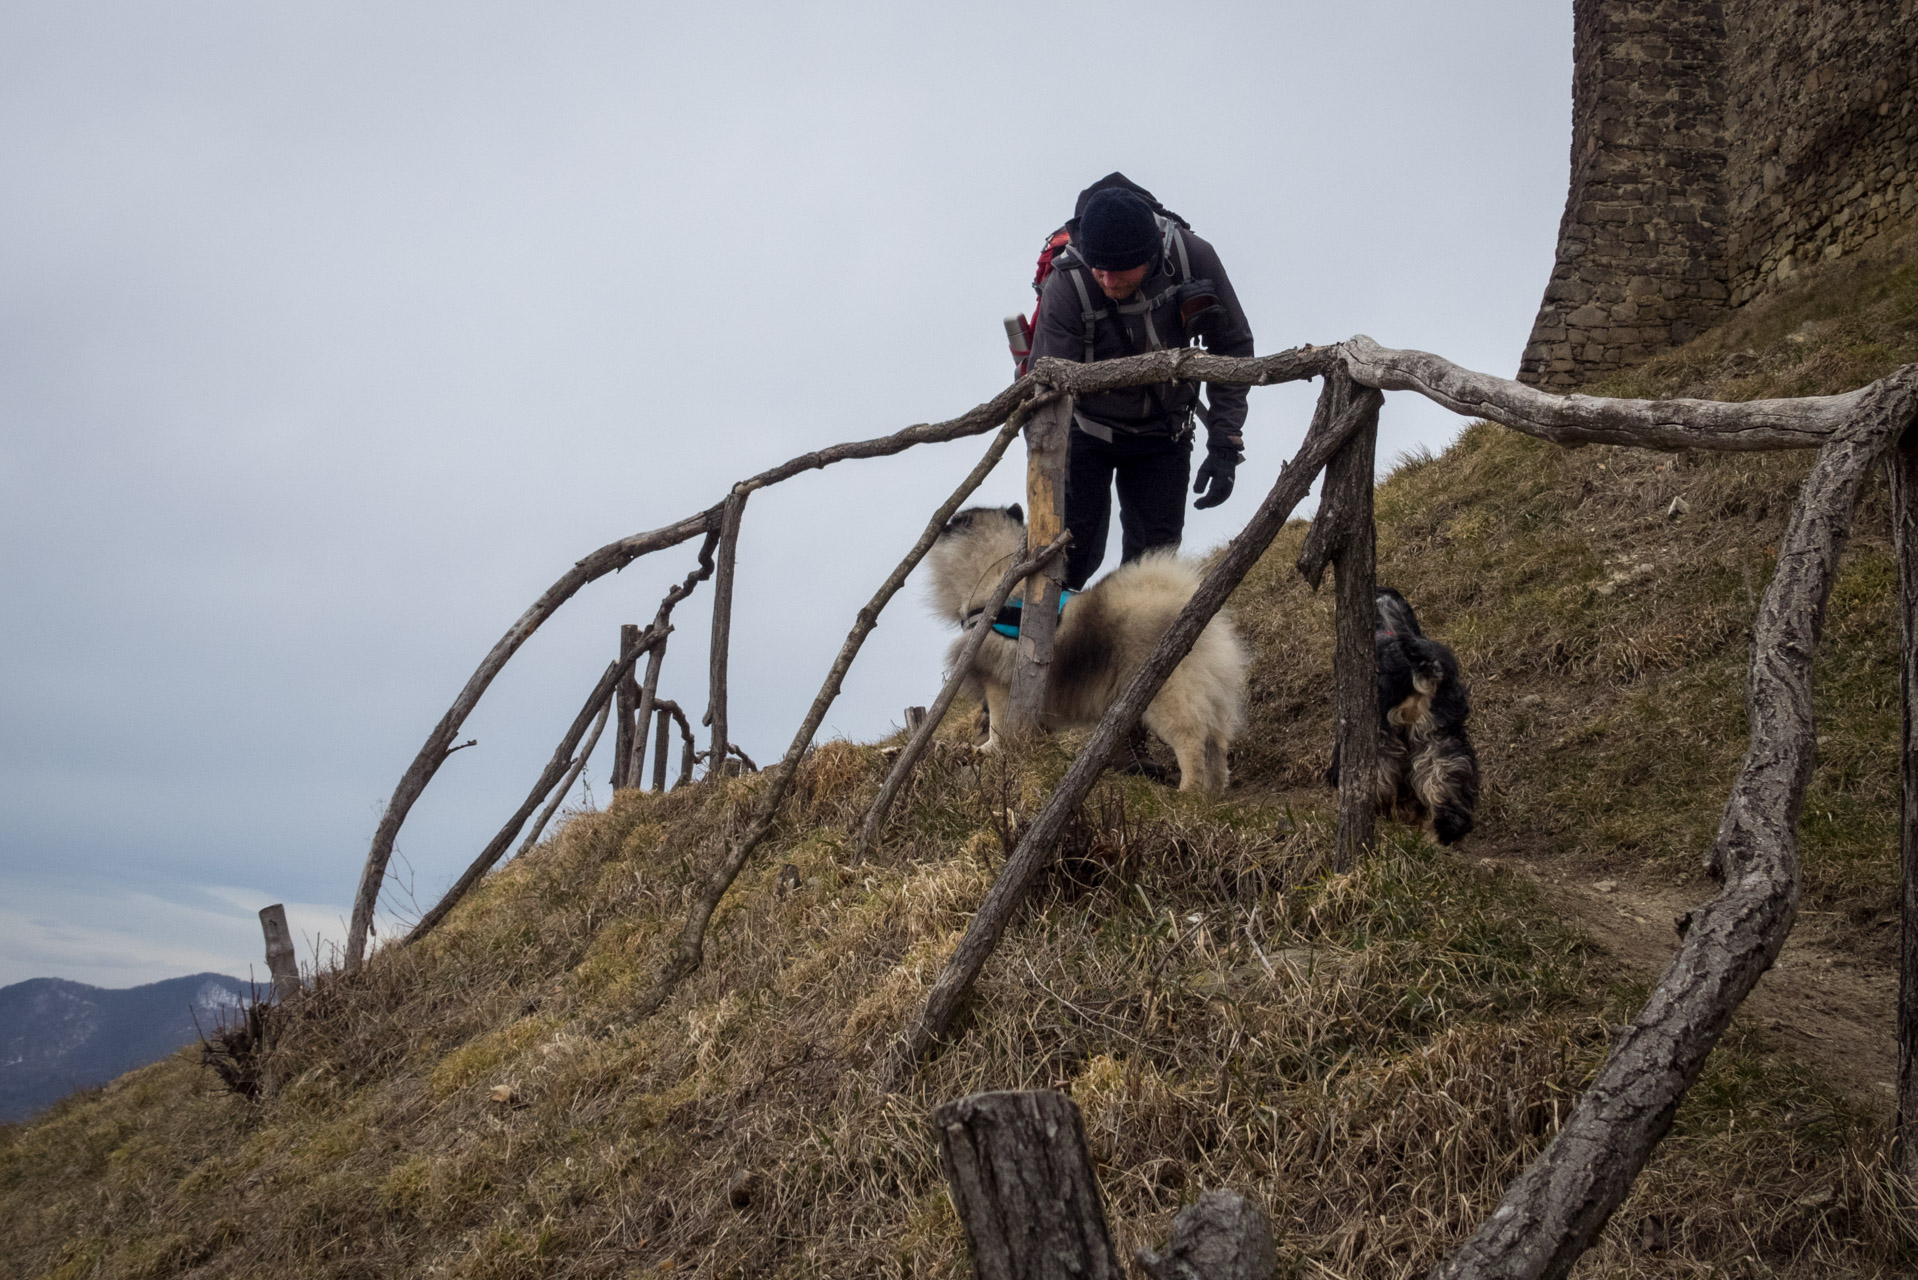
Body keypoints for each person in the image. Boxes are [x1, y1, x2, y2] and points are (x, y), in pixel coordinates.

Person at [1025, 174, 1256, 590]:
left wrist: (1225, 442)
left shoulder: (1192, 258)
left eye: (1120, 271)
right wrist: (1046, 470)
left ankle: (1139, 654)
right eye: (1100, 270)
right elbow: (1044, 392)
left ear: (1150, 255)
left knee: (1153, 569)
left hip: (1164, 432)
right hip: (1084, 431)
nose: (1109, 281)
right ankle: (1047, 649)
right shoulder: (1068, 283)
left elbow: (1233, 346)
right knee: (1068, 558)